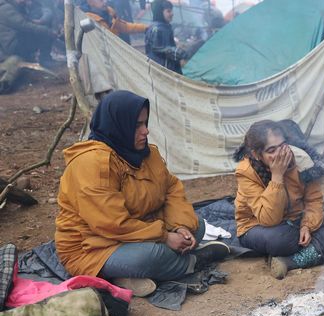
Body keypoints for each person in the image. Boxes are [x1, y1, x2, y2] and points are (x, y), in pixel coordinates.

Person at [55, 90, 231, 297]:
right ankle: (193, 262)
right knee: (150, 256)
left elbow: (171, 189)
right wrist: (165, 237)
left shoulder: (146, 153)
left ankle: (127, 277)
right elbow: (112, 224)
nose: (146, 131)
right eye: (137, 125)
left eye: (145, 123)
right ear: (117, 125)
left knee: (197, 225)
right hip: (94, 246)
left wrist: (179, 226)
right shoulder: (91, 163)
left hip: (140, 228)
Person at [234, 120, 324, 279]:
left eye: (283, 146)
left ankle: (289, 261)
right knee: (281, 241)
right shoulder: (246, 172)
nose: (281, 154)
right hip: (258, 226)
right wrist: (277, 176)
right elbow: (268, 219)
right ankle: (313, 249)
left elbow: (313, 200)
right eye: (272, 150)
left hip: (295, 220)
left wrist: (307, 226)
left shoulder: (301, 160)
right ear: (256, 154)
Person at [0, 0, 58, 71]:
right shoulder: (5, 8)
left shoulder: (10, 6)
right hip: (14, 44)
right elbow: (23, 25)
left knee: (41, 28)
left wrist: (36, 22)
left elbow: (23, 20)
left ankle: (31, 58)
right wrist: (48, 31)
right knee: (43, 31)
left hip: (13, 42)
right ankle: (45, 59)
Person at [145, 0, 185, 74]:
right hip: (161, 68)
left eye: (171, 11)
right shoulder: (158, 29)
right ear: (160, 13)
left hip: (165, 65)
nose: (172, 14)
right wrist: (177, 52)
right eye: (168, 11)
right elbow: (158, 48)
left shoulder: (164, 26)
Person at [80, 0, 147, 37]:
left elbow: (124, 27)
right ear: (90, 2)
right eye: (101, 0)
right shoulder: (85, 20)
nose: (105, 1)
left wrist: (146, 28)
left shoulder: (110, 13)